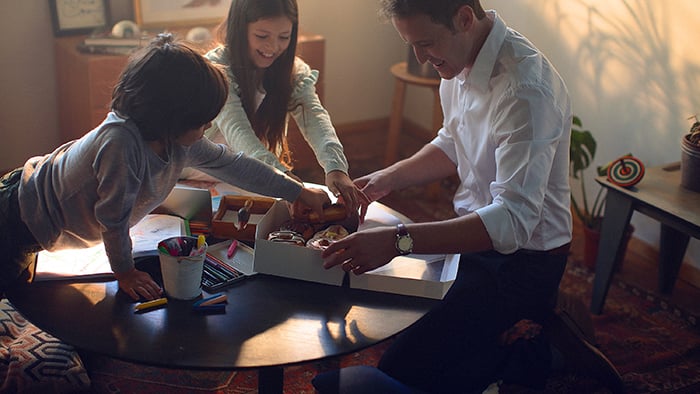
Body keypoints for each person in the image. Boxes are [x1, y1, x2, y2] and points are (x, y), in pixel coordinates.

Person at [315, 1, 623, 393]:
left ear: (464, 18)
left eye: (425, 43)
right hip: (472, 243)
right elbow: (453, 142)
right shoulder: (458, 59)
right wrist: (387, 178)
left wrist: (399, 240)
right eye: (411, 45)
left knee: (402, 368)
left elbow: (512, 223)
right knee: (393, 315)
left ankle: (540, 351)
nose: (421, 59)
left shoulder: (525, 91)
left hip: (524, 262)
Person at [0, 34, 330, 302]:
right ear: (172, 117)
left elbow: (235, 166)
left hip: (39, 223)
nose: (209, 125)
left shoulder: (178, 140)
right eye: (203, 121)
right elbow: (112, 220)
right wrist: (125, 272)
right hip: (17, 221)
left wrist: (296, 189)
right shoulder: (121, 145)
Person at [188, 0, 367, 211]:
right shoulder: (217, 69)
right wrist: (289, 185)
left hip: (255, 172)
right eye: (262, 36)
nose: (273, 47)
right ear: (239, 28)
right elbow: (238, 133)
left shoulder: (294, 71)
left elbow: (315, 118)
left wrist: (336, 167)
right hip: (199, 172)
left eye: (284, 37)